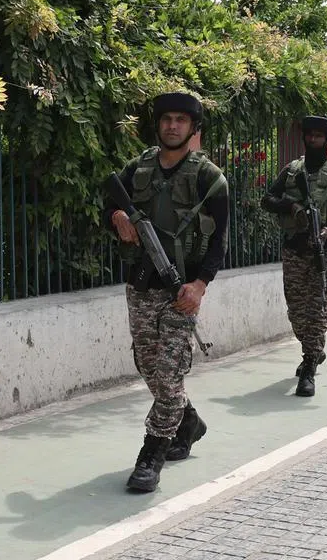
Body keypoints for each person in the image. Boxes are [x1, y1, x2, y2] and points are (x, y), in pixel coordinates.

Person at [107, 92, 230, 493]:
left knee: (168, 370)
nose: (172, 126)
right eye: (166, 119)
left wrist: (200, 285)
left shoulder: (209, 177)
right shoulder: (137, 167)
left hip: (182, 290)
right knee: (148, 367)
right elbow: (105, 199)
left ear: (193, 129)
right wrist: (117, 215)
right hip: (141, 285)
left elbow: (220, 240)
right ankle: (188, 421)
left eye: (181, 120)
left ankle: (152, 454)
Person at [261, 116, 327, 396]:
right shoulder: (292, 170)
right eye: (310, 136)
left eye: (319, 136)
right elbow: (267, 199)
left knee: (316, 307)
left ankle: (308, 365)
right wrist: (290, 207)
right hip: (294, 248)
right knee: (296, 310)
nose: (313, 140)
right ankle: (314, 349)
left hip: (325, 251)